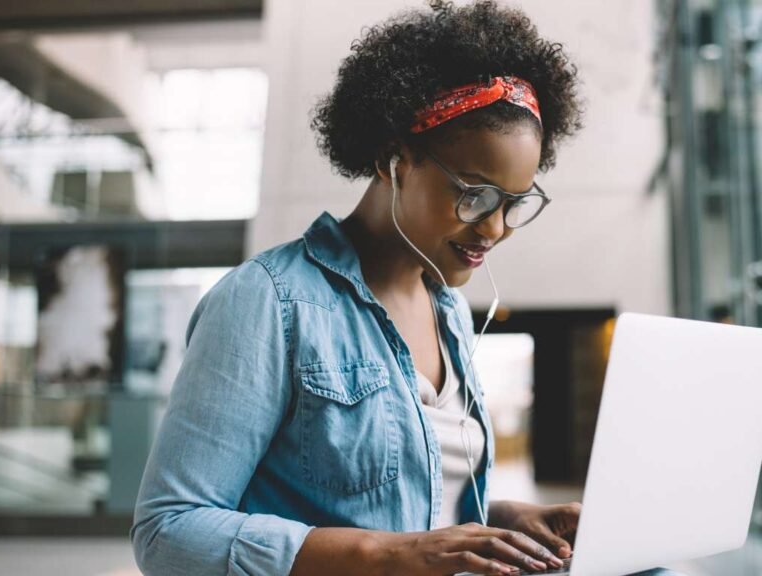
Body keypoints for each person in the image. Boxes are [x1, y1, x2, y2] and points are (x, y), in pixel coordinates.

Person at [131, 2, 684, 575]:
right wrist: (386, 555)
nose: (493, 229)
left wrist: (501, 522)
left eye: (515, 205)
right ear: (393, 160)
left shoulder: (448, 311)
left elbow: (396, 499)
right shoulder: (267, 302)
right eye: (475, 196)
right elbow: (169, 531)